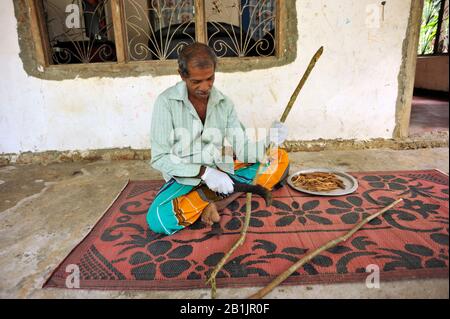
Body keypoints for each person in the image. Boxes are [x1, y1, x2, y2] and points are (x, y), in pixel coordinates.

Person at [147, 42, 289, 235]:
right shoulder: (165, 103)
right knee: (157, 218)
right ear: (182, 76)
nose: (205, 87)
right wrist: (204, 172)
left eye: (210, 79)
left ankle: (209, 200)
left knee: (278, 157)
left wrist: (270, 141)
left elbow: (243, 149)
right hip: (185, 177)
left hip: (221, 170)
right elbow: (160, 157)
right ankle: (220, 196)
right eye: (197, 81)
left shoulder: (224, 103)